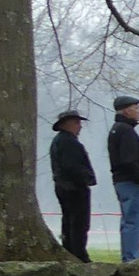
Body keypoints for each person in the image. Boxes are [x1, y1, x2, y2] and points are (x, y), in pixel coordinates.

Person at [107, 96, 139, 262]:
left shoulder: (117, 129)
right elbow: (129, 159)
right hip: (131, 182)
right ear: (126, 110)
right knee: (134, 220)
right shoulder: (125, 130)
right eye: (136, 108)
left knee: (128, 219)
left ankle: (129, 254)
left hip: (122, 181)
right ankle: (132, 257)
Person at [48, 109, 96, 263]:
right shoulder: (69, 142)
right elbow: (73, 166)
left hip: (63, 186)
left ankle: (70, 250)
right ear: (66, 124)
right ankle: (79, 254)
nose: (80, 126)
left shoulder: (59, 141)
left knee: (69, 221)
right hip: (74, 188)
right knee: (78, 223)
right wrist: (87, 178)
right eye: (76, 122)